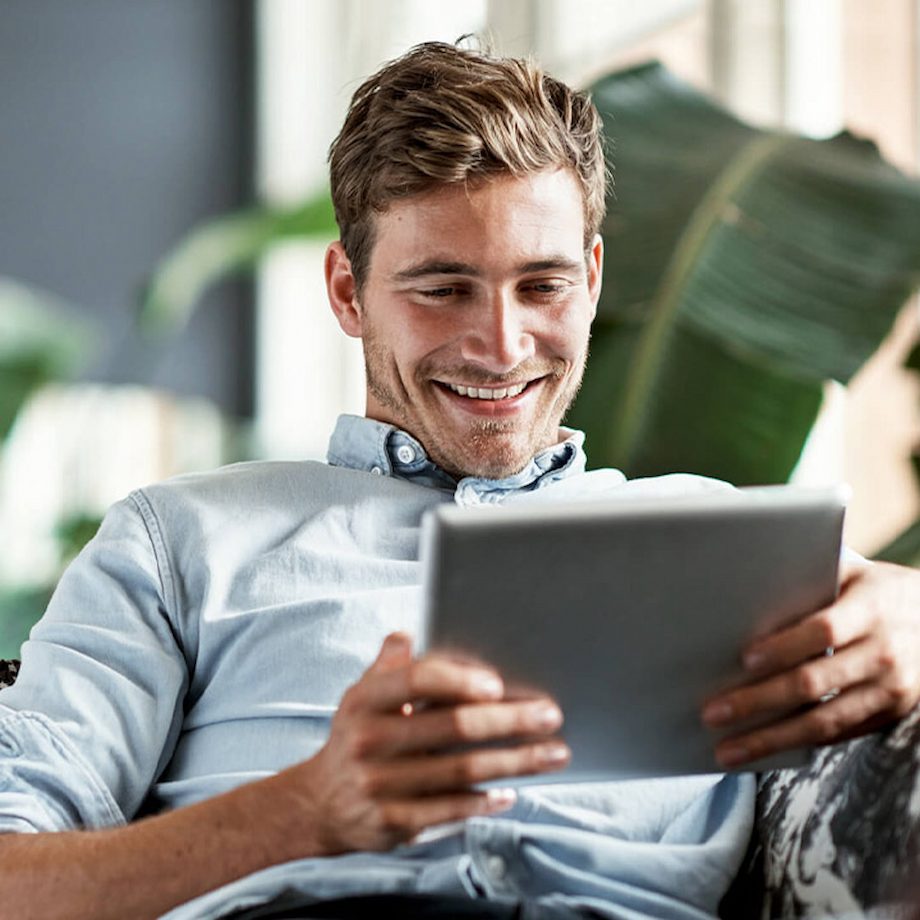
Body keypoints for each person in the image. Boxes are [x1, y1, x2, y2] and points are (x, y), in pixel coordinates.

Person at [1, 40, 919, 920]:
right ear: (348, 293)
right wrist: (301, 812)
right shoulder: (182, 542)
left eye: (543, 286)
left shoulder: (728, 545)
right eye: (442, 288)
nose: (503, 346)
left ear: (594, 280)